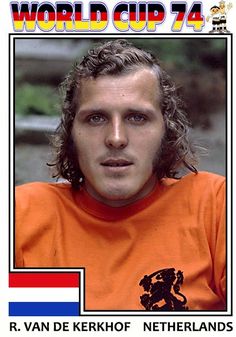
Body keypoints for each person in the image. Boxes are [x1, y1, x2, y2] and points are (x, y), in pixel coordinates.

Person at [15, 39, 226, 311]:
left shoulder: (214, 206)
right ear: (71, 134)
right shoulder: (21, 214)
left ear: (167, 130)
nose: (116, 138)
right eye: (96, 118)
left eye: (137, 117)